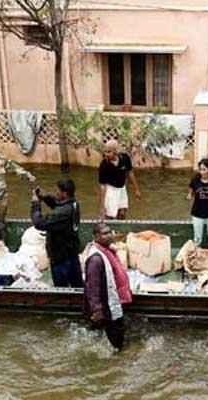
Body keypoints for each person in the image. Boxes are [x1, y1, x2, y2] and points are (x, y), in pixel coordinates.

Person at [83, 222, 132, 350]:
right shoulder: (96, 259)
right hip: (107, 304)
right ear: (96, 237)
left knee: (111, 330)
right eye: (104, 233)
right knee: (116, 333)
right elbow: (92, 286)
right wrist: (97, 309)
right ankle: (119, 354)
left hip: (110, 299)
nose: (109, 235)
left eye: (110, 232)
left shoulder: (108, 251)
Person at [30, 179, 83, 288]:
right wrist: (45, 197)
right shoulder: (74, 204)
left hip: (61, 257)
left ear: (65, 193)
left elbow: (39, 223)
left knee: (61, 288)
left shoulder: (63, 212)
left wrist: (36, 204)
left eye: (58, 191)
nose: (56, 193)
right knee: (77, 285)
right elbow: (58, 205)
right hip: (72, 252)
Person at [98, 140, 141, 220]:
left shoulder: (125, 158)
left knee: (122, 213)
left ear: (115, 151)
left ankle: (119, 230)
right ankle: (107, 229)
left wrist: (136, 190)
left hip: (122, 188)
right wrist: (102, 206)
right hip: (111, 190)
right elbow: (103, 186)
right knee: (110, 215)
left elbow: (130, 173)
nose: (106, 154)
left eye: (109, 152)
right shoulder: (104, 165)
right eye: (105, 152)